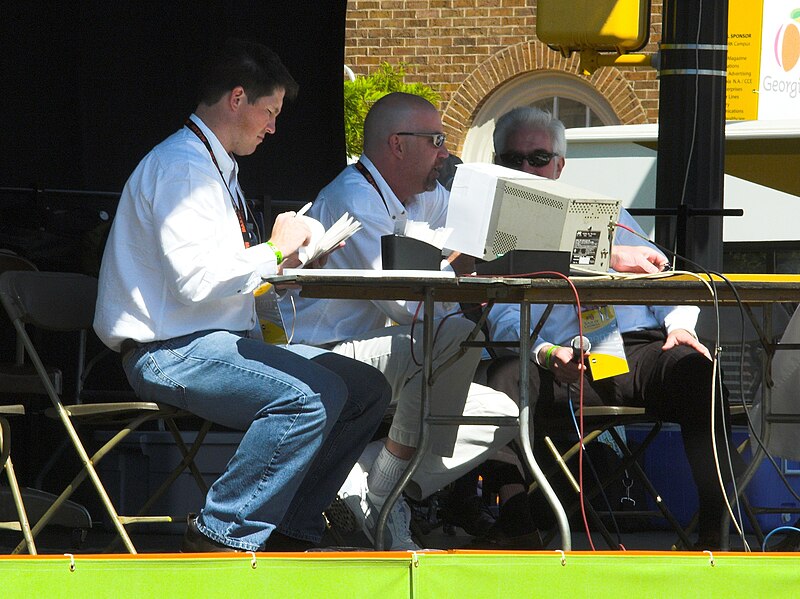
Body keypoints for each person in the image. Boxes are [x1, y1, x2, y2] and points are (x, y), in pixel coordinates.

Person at [93, 38, 392, 553]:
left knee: (366, 389)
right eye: (270, 111)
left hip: (209, 341)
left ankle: (288, 528)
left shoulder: (212, 166)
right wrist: (274, 251)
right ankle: (223, 531)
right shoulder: (182, 168)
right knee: (309, 397)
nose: (274, 127)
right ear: (237, 99)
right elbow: (195, 281)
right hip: (170, 351)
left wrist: (291, 261)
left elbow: (223, 278)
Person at [483, 105, 744, 549]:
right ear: (497, 165)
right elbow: (500, 317)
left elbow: (664, 279)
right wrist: (548, 353)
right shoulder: (495, 228)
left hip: (636, 349)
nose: (526, 168)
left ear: (559, 165)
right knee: (499, 379)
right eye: (513, 160)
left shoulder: (609, 213)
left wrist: (681, 327)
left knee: (699, 372)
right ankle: (515, 518)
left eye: (538, 158)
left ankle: (716, 532)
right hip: (567, 359)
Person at [280, 92, 520, 549]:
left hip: (375, 358)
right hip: (317, 357)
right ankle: (386, 494)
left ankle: (366, 481)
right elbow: (407, 307)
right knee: (453, 333)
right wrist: (464, 265)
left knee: (503, 413)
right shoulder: (355, 197)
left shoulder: (414, 196)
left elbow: (481, 227)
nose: (445, 153)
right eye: (436, 140)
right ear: (397, 145)